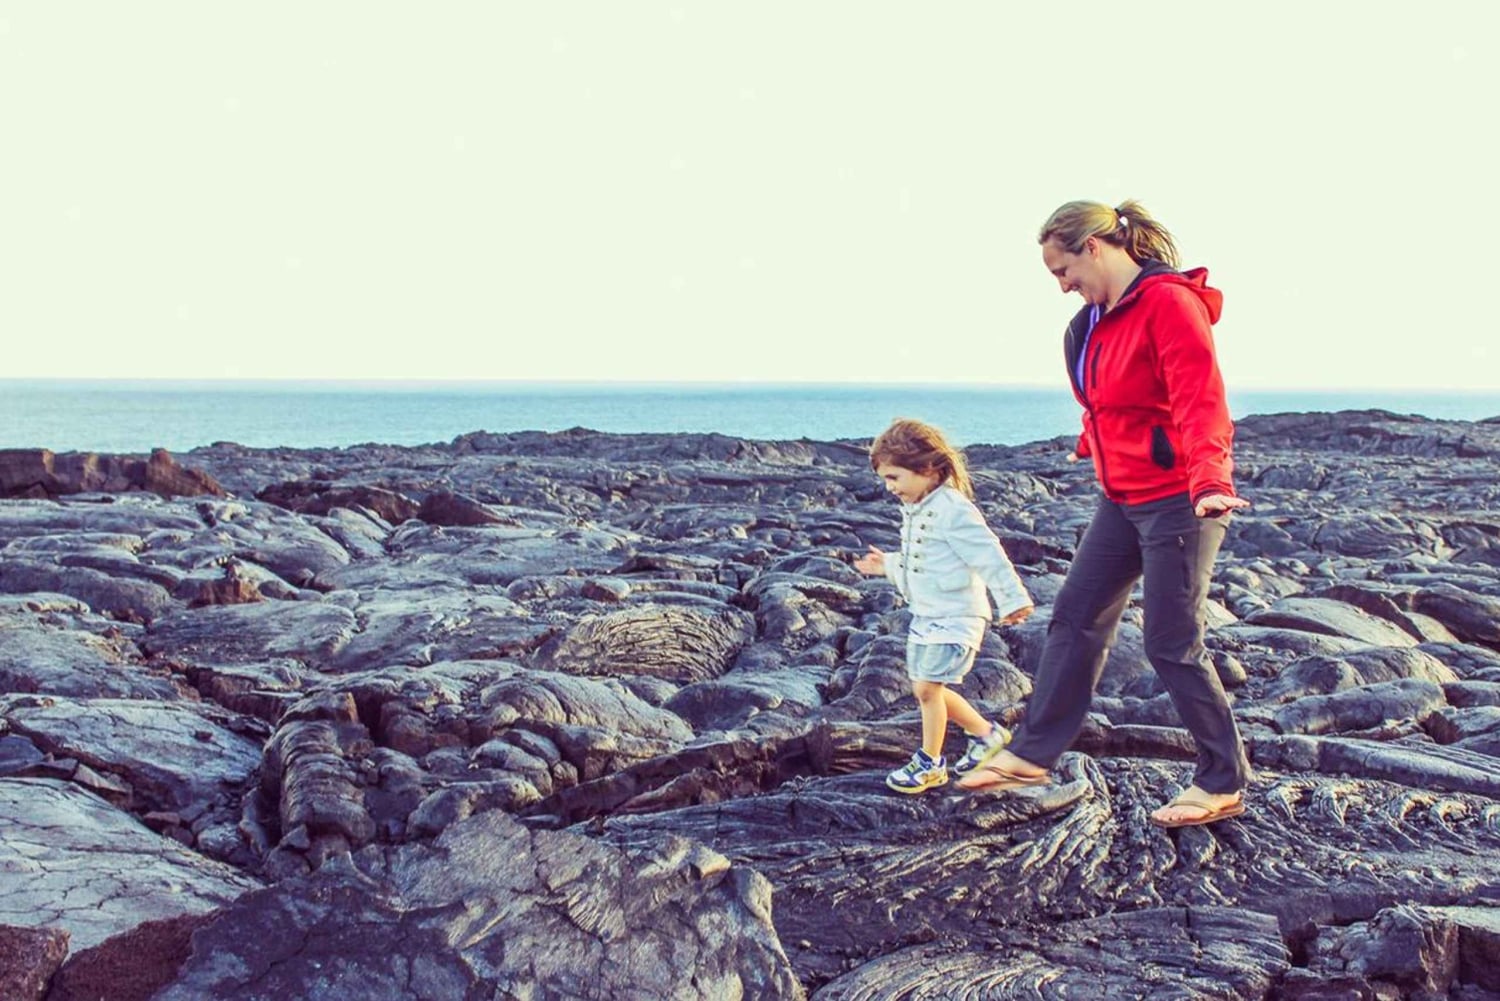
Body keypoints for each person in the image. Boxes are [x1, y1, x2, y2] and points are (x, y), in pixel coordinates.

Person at [957, 199, 1252, 830]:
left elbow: (1200, 401)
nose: (1061, 285)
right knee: (1075, 617)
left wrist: (1210, 481)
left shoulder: (1168, 304)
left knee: (1171, 642)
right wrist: (1097, 444)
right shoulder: (1090, 321)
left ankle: (1222, 780)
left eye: (1062, 270)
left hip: (1182, 498)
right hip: (1123, 497)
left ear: (1094, 247)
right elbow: (1108, 402)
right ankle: (1032, 753)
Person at [853, 418, 1035, 794]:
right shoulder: (919, 507)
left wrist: (1013, 598)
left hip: (957, 616)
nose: (890, 488)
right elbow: (922, 560)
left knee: (926, 690)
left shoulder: (953, 508)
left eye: (894, 477)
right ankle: (986, 735)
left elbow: (989, 556)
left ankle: (930, 764)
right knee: (928, 688)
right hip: (928, 615)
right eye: (886, 479)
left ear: (927, 469)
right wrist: (885, 565)